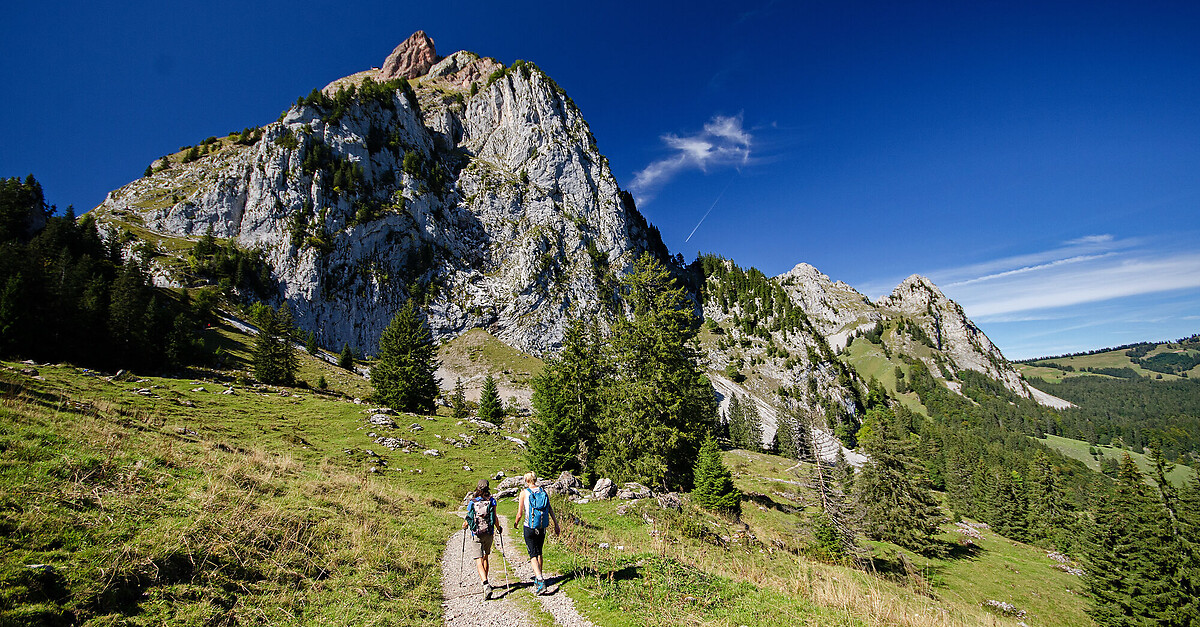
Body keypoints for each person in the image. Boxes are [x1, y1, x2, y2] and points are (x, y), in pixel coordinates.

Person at [513, 471, 559, 595]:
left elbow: (520, 513)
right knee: (539, 552)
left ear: (527, 481)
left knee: (532, 554)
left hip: (530, 526)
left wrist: (516, 523)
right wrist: (556, 524)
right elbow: (549, 508)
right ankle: (540, 577)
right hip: (542, 526)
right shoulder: (543, 492)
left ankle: (539, 581)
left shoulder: (524, 493)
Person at [462, 478, 498, 600]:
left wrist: (465, 524)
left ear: (477, 487)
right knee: (485, 557)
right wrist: (499, 527)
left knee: (478, 560)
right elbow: (495, 516)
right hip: (488, 532)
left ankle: (485, 583)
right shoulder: (492, 500)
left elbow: (468, 516)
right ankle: (486, 582)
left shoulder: (473, 501)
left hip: (476, 533)